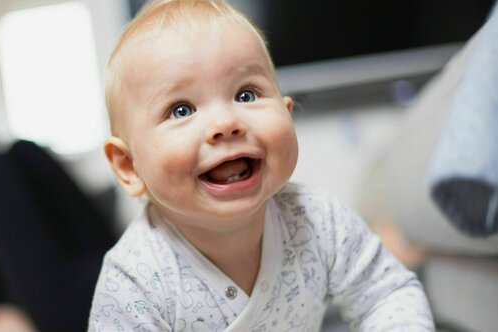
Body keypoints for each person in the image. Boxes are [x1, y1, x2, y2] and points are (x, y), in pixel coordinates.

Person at [88, 0, 433, 330]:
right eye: (181, 110)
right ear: (129, 166)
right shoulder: (135, 282)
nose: (225, 122)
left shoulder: (317, 219)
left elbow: (385, 293)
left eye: (246, 94)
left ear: (286, 111)